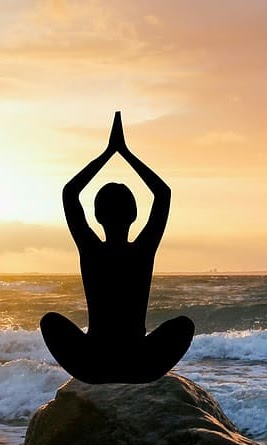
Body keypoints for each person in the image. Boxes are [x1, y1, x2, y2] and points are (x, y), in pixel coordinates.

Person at [40, 112, 195, 383]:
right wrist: (125, 153)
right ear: (134, 215)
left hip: (93, 365)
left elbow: (70, 193)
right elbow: (163, 193)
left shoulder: (90, 249)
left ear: (98, 216)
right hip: (139, 364)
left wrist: (108, 153)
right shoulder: (143, 250)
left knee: (49, 321)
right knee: (184, 325)